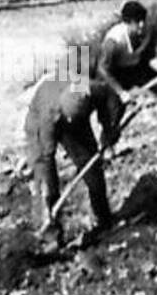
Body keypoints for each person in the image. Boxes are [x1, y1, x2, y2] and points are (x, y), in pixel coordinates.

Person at [24, 75, 122, 248]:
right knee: (44, 177)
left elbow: (111, 99)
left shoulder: (87, 88)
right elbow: (46, 159)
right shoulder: (48, 117)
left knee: (92, 166)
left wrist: (109, 130)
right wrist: (50, 195)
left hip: (74, 122)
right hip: (40, 121)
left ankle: (104, 219)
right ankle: (50, 228)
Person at [99, 0, 157, 100]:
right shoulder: (114, 41)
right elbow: (103, 69)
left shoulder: (145, 32)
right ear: (128, 22)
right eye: (137, 21)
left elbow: (149, 56)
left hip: (135, 69)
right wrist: (121, 92)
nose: (142, 25)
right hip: (117, 73)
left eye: (143, 20)